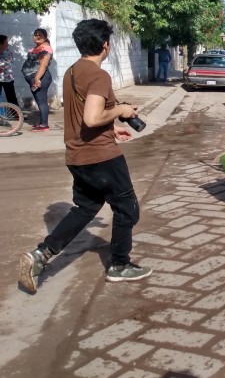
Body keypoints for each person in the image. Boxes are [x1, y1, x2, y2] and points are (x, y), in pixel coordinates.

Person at [18, 19, 152, 294]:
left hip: (78, 155)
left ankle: (40, 255)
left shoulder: (71, 71)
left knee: (86, 208)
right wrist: (121, 111)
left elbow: (83, 115)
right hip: (101, 157)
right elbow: (92, 117)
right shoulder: (98, 75)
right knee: (127, 209)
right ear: (105, 45)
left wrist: (111, 129)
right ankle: (119, 264)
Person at [21, 28, 54, 131]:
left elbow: (43, 65)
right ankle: (42, 123)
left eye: (40, 35)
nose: (37, 37)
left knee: (42, 101)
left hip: (40, 78)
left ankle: (44, 124)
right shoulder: (37, 48)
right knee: (39, 101)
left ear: (45, 36)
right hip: (34, 77)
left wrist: (36, 79)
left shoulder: (46, 48)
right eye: (35, 35)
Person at [0, 34, 19, 107]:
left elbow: (7, 62)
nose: (7, 44)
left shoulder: (8, 52)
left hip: (7, 78)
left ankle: (17, 114)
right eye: (6, 43)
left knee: (11, 97)